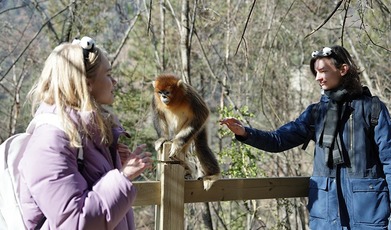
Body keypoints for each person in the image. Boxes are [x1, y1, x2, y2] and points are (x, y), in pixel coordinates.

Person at [220, 45, 391, 229]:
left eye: (323, 71)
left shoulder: (371, 109)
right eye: (316, 72)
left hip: (368, 217)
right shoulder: (316, 113)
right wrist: (246, 133)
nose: (318, 78)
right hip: (326, 220)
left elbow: (389, 161)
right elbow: (279, 140)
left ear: (343, 69)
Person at [18, 36, 152, 229]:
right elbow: (77, 221)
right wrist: (121, 178)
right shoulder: (49, 142)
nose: (114, 81)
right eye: (108, 74)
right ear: (87, 83)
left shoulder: (86, 135)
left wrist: (112, 165)